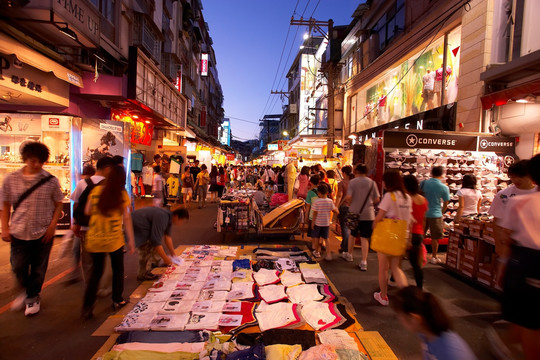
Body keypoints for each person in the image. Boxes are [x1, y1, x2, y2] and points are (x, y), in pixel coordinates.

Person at [2, 142, 64, 316]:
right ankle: (26, 290)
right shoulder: (11, 179)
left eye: (40, 162)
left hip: (43, 231)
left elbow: (58, 204)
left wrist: (53, 226)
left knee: (38, 267)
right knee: (18, 266)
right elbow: (5, 205)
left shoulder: (50, 181)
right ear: (26, 159)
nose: (36, 165)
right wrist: (5, 227)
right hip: (19, 230)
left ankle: (32, 297)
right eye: (33, 161)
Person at [497, 155, 540, 359]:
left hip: (526, 262)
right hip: (528, 262)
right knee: (530, 320)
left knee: (529, 319)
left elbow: (508, 238)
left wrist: (502, 266)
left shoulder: (520, 203)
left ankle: (507, 344)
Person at [82, 165, 135, 320]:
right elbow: (126, 218)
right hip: (114, 240)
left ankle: (87, 307)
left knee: (96, 273)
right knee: (117, 270)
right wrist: (131, 240)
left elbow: (87, 211)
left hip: (95, 238)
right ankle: (117, 299)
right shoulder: (121, 194)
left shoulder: (96, 191)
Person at [393, 286, 478, 360]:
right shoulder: (424, 332)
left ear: (414, 318)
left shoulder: (451, 352)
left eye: (400, 316)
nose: (399, 320)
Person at [373, 170, 411, 306]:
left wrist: (374, 227)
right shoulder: (407, 197)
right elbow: (408, 219)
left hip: (387, 235)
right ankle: (408, 297)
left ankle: (383, 296)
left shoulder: (390, 196)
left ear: (388, 182)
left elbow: (379, 217)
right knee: (396, 268)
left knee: (383, 268)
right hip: (401, 235)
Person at [132, 207, 189, 281]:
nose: (181, 224)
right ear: (177, 216)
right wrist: (166, 259)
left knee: (154, 244)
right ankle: (142, 274)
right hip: (137, 224)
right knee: (146, 246)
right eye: (182, 221)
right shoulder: (163, 217)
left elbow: (167, 237)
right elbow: (156, 241)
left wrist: (173, 255)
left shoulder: (169, 218)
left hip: (141, 223)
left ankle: (156, 263)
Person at [343, 164, 380, 271]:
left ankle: (349, 255)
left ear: (357, 171)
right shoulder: (372, 183)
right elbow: (377, 199)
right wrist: (369, 203)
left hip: (354, 212)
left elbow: (349, 197)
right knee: (365, 238)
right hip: (368, 214)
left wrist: (352, 203)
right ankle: (364, 261)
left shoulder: (353, 182)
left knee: (352, 234)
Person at [420, 166, 450, 264]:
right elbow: (446, 203)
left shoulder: (424, 183)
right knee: (435, 237)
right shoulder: (444, 187)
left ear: (431, 173)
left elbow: (418, 195)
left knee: (420, 235)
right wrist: (441, 212)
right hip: (436, 213)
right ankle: (434, 256)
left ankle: (418, 254)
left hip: (423, 212)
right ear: (442, 174)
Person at [404, 175, 428, 289]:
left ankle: (418, 288)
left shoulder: (407, 199)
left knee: (403, 260)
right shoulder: (423, 200)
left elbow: (407, 219)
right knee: (415, 262)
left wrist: (408, 237)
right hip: (418, 233)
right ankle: (419, 286)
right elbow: (423, 219)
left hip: (408, 233)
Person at [311, 184, 339, 261]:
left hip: (318, 223)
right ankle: (328, 254)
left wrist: (313, 223)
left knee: (317, 237)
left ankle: (316, 252)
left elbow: (315, 213)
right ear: (327, 192)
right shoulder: (330, 201)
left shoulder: (317, 202)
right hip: (326, 223)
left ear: (319, 193)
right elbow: (335, 211)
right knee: (326, 238)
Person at [336, 166, 354, 261]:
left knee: (345, 229)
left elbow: (339, 195)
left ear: (344, 173)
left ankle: (346, 249)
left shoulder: (342, 183)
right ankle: (345, 247)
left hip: (344, 207)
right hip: (354, 208)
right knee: (350, 229)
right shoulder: (354, 183)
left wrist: (336, 206)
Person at [305, 175, 321, 256]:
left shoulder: (310, 193)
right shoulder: (322, 191)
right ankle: (321, 245)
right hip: (322, 216)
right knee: (321, 233)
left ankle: (314, 247)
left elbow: (308, 206)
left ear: (310, 182)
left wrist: (306, 217)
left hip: (313, 215)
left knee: (314, 233)